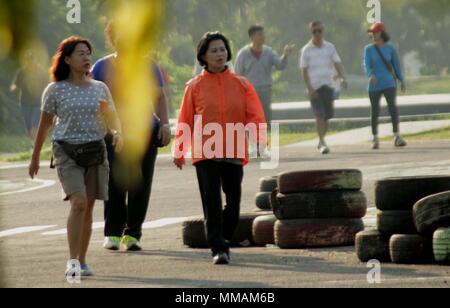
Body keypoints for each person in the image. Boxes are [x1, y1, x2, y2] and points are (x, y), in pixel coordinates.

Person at [28, 37, 123, 277]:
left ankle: (82, 260)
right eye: (80, 53)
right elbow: (45, 125)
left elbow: (111, 116)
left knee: (88, 206)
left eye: (88, 53)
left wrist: (118, 132)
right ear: (67, 59)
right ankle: (72, 262)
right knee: (78, 202)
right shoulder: (55, 90)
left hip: (95, 149)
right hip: (67, 151)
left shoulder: (100, 88)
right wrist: (35, 156)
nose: (87, 57)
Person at [173, 32, 266, 265]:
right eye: (214, 50)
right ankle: (218, 248)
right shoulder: (194, 87)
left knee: (233, 204)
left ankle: (222, 236)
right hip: (205, 152)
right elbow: (185, 118)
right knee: (212, 203)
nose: (219, 54)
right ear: (203, 56)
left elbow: (255, 114)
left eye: (222, 49)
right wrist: (180, 149)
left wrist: (259, 139)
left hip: (234, 149)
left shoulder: (241, 84)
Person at [91, 21, 171, 252]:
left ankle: (133, 233)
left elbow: (159, 98)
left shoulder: (148, 65)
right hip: (114, 134)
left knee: (141, 182)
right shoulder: (101, 67)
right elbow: (96, 102)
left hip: (145, 131)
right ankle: (113, 233)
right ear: (112, 38)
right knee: (114, 183)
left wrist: (164, 124)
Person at [300, 21, 347, 154]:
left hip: (328, 85)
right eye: (314, 31)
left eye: (319, 31)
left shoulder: (329, 47)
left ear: (323, 31)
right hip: (315, 87)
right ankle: (321, 141)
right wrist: (309, 88)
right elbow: (303, 70)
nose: (317, 34)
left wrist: (343, 77)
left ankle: (323, 138)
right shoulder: (306, 50)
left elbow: (337, 63)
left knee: (327, 116)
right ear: (311, 33)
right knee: (319, 115)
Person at [235, 25, 294, 129]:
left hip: (265, 89)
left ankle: (264, 138)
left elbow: (280, 65)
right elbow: (238, 75)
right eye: (259, 34)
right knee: (252, 116)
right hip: (250, 91)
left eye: (263, 34)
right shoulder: (243, 54)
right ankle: (253, 139)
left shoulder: (269, 52)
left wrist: (285, 55)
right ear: (252, 37)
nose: (262, 37)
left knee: (265, 115)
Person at [364, 22, 407, 150]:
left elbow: (396, 65)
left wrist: (401, 80)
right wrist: (370, 74)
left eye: (375, 32)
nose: (373, 35)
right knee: (375, 111)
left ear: (382, 33)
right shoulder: (368, 49)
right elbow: (366, 64)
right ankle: (375, 138)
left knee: (393, 109)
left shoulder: (390, 48)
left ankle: (397, 136)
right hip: (374, 84)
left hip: (389, 83)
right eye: (371, 33)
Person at [10, 51, 48, 140]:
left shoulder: (41, 72)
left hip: (38, 103)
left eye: (31, 60)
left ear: (35, 60)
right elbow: (15, 84)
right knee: (29, 127)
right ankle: (33, 139)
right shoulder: (22, 72)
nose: (30, 62)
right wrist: (14, 87)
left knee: (34, 124)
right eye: (28, 60)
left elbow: (47, 85)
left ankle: (35, 146)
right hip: (25, 103)